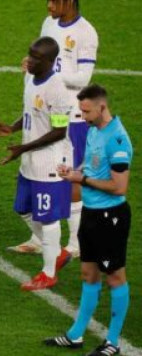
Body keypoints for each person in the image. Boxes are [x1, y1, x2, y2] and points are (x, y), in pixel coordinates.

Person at [9, 0, 99, 259]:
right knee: (37, 173)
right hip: (44, 111)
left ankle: (75, 242)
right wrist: (31, 67)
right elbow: (41, 57)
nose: (49, 7)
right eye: (48, 1)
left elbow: (84, 78)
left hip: (72, 116)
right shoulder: (49, 24)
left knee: (69, 178)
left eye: (54, 1)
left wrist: (49, 77)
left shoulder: (86, 33)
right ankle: (41, 239)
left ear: (70, 1)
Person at [44, 84, 132, 356]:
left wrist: (80, 179)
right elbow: (90, 164)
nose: (82, 116)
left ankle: (113, 342)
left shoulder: (117, 140)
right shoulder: (95, 129)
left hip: (111, 217)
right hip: (91, 214)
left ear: (102, 107)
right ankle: (75, 335)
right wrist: (75, 170)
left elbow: (119, 187)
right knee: (88, 273)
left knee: (115, 276)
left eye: (86, 111)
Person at [0, 37, 74, 290]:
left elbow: (59, 131)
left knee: (48, 219)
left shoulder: (57, 89)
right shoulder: (31, 78)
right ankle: (55, 252)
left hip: (49, 164)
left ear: (50, 61)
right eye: (30, 54)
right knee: (23, 207)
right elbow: (31, 112)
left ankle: (49, 273)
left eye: (36, 58)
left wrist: (22, 148)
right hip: (29, 159)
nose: (30, 60)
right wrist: (12, 129)